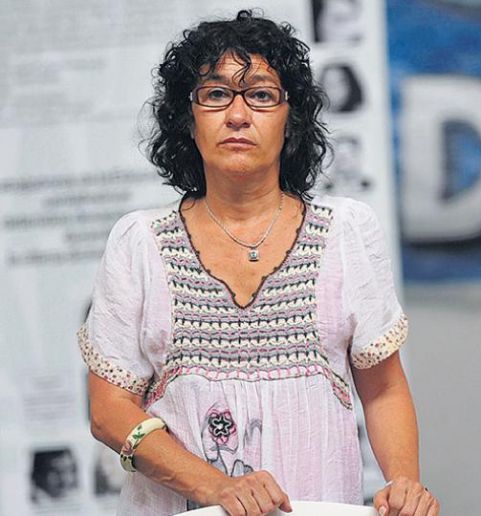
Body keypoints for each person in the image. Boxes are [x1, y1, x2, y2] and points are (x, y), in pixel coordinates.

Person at [79, 10, 438, 516]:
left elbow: (382, 391)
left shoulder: (345, 231)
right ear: (188, 119)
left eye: (262, 95)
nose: (238, 115)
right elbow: (109, 411)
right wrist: (216, 487)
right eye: (216, 94)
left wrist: (404, 485)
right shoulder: (140, 242)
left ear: (291, 121)